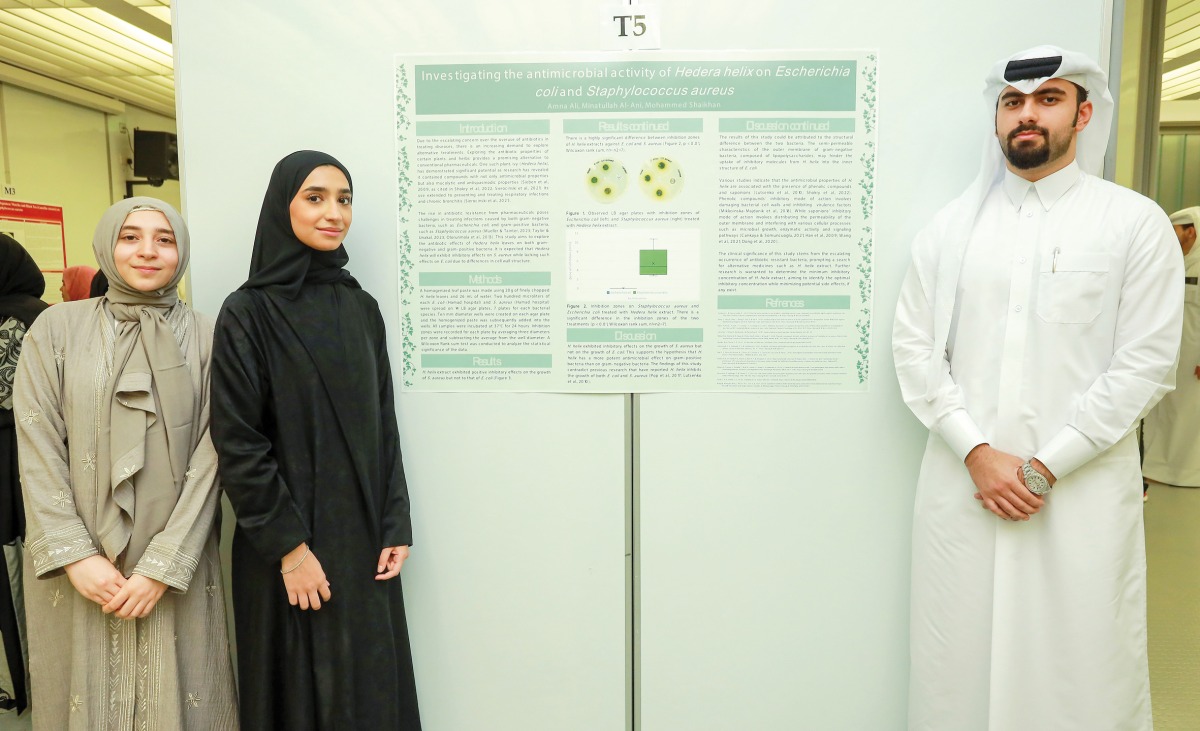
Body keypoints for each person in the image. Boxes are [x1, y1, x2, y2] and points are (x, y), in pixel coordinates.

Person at [892, 46, 1182, 729]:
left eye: (1048, 98)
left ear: (1084, 114)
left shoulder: (1134, 224)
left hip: (1078, 493)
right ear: (996, 119)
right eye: (1012, 101)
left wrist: (1044, 467)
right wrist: (977, 452)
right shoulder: (949, 230)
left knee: (1081, 662)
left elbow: (1143, 363)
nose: (1027, 115)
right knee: (956, 656)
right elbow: (915, 349)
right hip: (967, 483)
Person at [211, 151, 420, 730]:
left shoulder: (361, 308)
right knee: (298, 699)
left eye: (344, 199)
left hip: (360, 544)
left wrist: (395, 521)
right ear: (284, 206)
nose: (334, 213)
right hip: (287, 550)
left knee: (368, 693)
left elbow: (383, 423)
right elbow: (239, 443)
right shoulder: (247, 313)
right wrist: (290, 550)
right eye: (315, 196)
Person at [14, 198, 238, 729]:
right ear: (108, 245)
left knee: (182, 691)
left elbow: (216, 452)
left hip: (175, 557)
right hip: (79, 563)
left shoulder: (211, 335)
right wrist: (75, 556)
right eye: (130, 236)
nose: (147, 251)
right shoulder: (55, 329)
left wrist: (165, 563)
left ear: (181, 251)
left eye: (164, 239)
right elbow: (36, 439)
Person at [0, 234, 49, 714]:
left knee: (15, 572)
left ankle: (26, 686)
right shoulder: (45, 316)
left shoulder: (25, 320)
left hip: (9, 463)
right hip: (39, 462)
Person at [1142, 206, 1200, 487]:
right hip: (1172, 353)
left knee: (1190, 416)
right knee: (1165, 413)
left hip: (1196, 358)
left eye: (1176, 233)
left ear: (1192, 231)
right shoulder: (1176, 262)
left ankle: (1187, 473)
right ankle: (1159, 467)